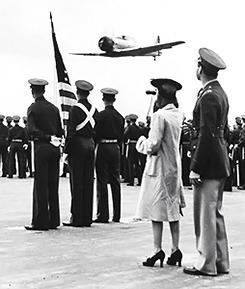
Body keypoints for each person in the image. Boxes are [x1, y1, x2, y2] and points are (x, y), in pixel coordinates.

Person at [183, 48, 231, 276]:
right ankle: (220, 261)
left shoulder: (208, 95)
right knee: (215, 214)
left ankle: (206, 264)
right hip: (219, 161)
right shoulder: (218, 92)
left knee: (205, 216)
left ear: (201, 68)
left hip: (209, 164)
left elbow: (206, 135)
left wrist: (196, 168)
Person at [135, 78, 185, 268]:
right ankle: (175, 249)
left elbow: (154, 144)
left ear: (161, 95)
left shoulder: (159, 116)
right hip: (174, 166)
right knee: (173, 209)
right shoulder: (179, 114)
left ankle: (157, 249)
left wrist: (141, 142)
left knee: (157, 210)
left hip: (159, 167)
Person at [25, 78, 63, 231]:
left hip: (41, 147)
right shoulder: (54, 108)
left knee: (41, 185)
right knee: (53, 184)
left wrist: (45, 137)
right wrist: (54, 138)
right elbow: (60, 129)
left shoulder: (33, 108)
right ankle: (54, 219)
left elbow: (31, 130)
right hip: (54, 147)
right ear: (44, 91)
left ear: (33, 91)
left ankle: (40, 221)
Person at [63, 80, 98, 227]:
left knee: (76, 182)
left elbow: (71, 132)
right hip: (90, 145)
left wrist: (66, 151)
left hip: (77, 145)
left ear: (77, 93)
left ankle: (77, 218)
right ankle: (87, 218)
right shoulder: (95, 110)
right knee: (88, 181)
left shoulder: (74, 109)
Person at [94, 88, 125, 223]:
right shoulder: (120, 117)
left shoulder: (100, 116)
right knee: (115, 181)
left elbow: (96, 134)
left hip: (103, 147)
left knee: (102, 181)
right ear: (114, 100)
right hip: (115, 148)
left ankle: (103, 215)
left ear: (103, 99)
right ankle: (117, 215)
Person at [123, 114, 142, 186]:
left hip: (130, 145)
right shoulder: (139, 128)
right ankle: (140, 181)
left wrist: (125, 140)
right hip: (137, 146)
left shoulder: (130, 127)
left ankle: (131, 181)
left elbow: (125, 134)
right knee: (137, 164)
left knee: (130, 163)